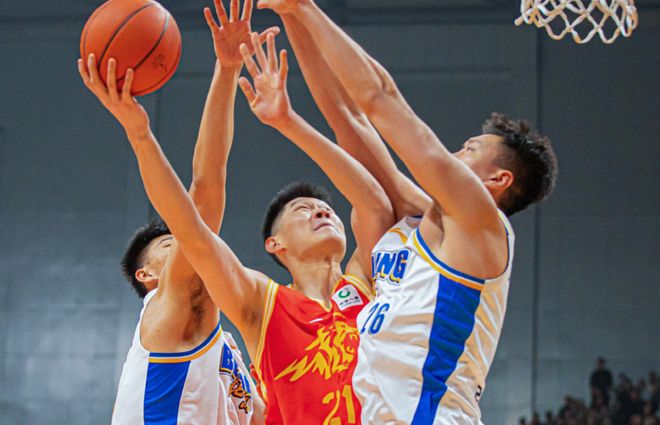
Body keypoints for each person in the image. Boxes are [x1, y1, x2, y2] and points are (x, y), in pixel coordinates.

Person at [255, 1, 558, 423]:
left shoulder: (480, 223)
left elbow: (378, 97)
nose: (454, 154)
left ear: (498, 179)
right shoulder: (416, 215)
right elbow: (347, 119)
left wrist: (307, 7)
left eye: (469, 150)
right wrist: (291, 16)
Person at [83, 23, 393, 425]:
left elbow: (374, 202)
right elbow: (200, 207)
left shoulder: (233, 358)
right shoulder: (249, 301)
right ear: (275, 243)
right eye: (170, 244)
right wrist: (140, 133)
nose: (320, 211)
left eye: (324, 208)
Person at [78, 0, 275, 423]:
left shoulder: (224, 348)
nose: (188, 241)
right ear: (147, 276)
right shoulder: (173, 306)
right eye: (171, 244)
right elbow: (205, 190)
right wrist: (139, 131)